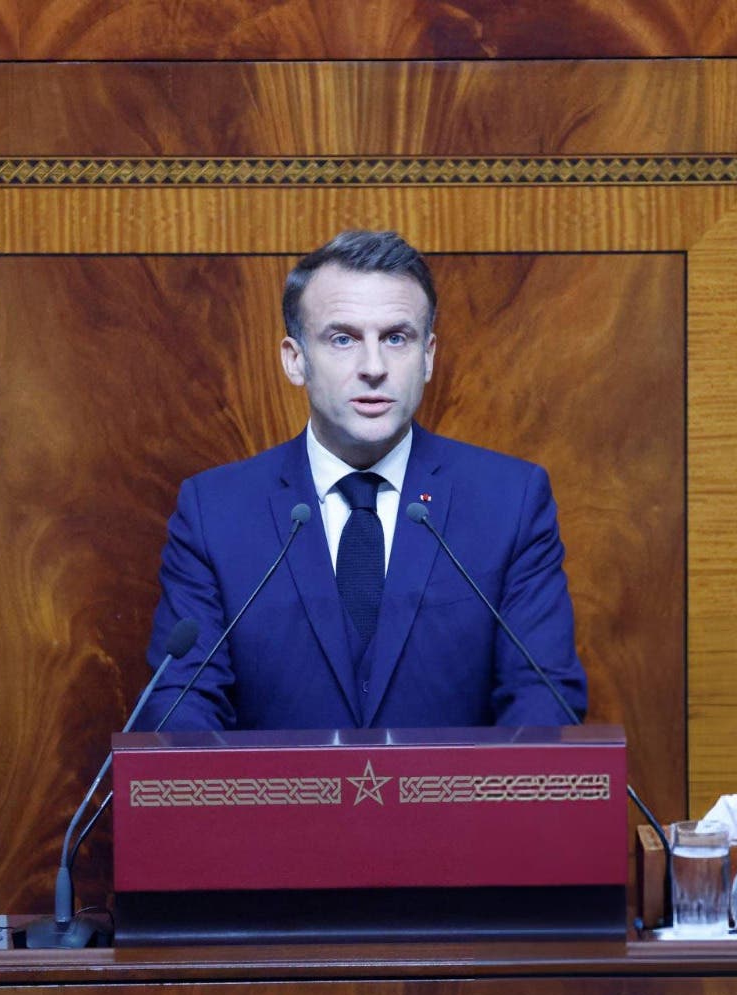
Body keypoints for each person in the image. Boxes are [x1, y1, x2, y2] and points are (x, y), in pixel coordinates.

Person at [138, 230, 587, 731]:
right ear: (295, 359)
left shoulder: (511, 501)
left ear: (428, 356)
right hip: (277, 808)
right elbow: (181, 705)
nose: (373, 367)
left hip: (453, 809)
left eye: (397, 338)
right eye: (343, 338)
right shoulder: (214, 511)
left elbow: (542, 699)